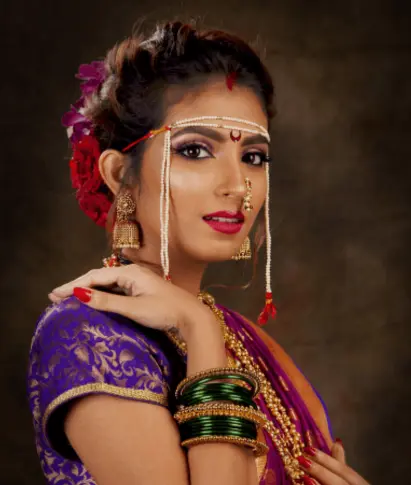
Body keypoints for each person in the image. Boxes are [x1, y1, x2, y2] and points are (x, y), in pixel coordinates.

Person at [27, 20, 370, 485]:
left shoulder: (249, 342)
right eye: (194, 150)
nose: (237, 186)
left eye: (254, 157)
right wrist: (201, 333)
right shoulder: (86, 334)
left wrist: (202, 325)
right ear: (118, 174)